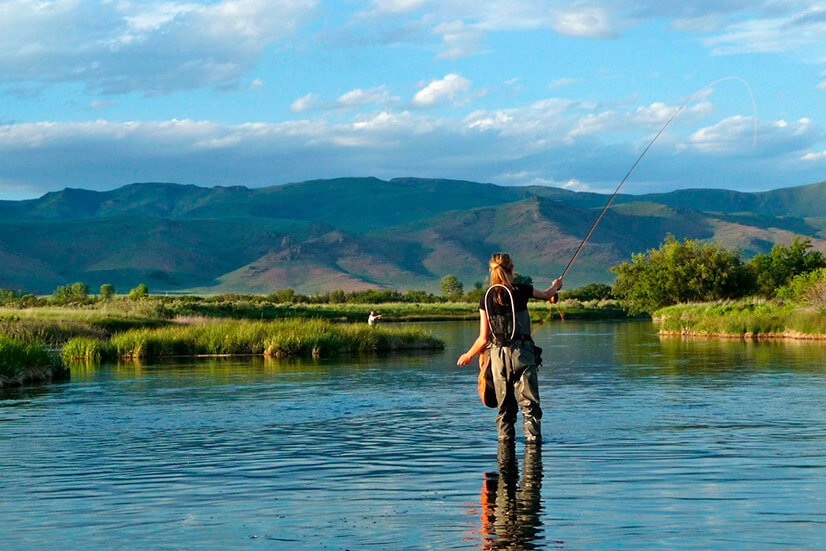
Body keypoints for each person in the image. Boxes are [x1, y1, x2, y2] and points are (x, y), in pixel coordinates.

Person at [457, 252, 562, 443]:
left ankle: (504, 448)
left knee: (504, 409)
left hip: (498, 357)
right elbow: (547, 295)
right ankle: (533, 446)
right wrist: (556, 286)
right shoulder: (521, 289)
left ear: (492, 271)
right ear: (511, 269)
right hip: (522, 354)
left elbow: (483, 339)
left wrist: (468, 355)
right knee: (529, 407)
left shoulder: (486, 297)